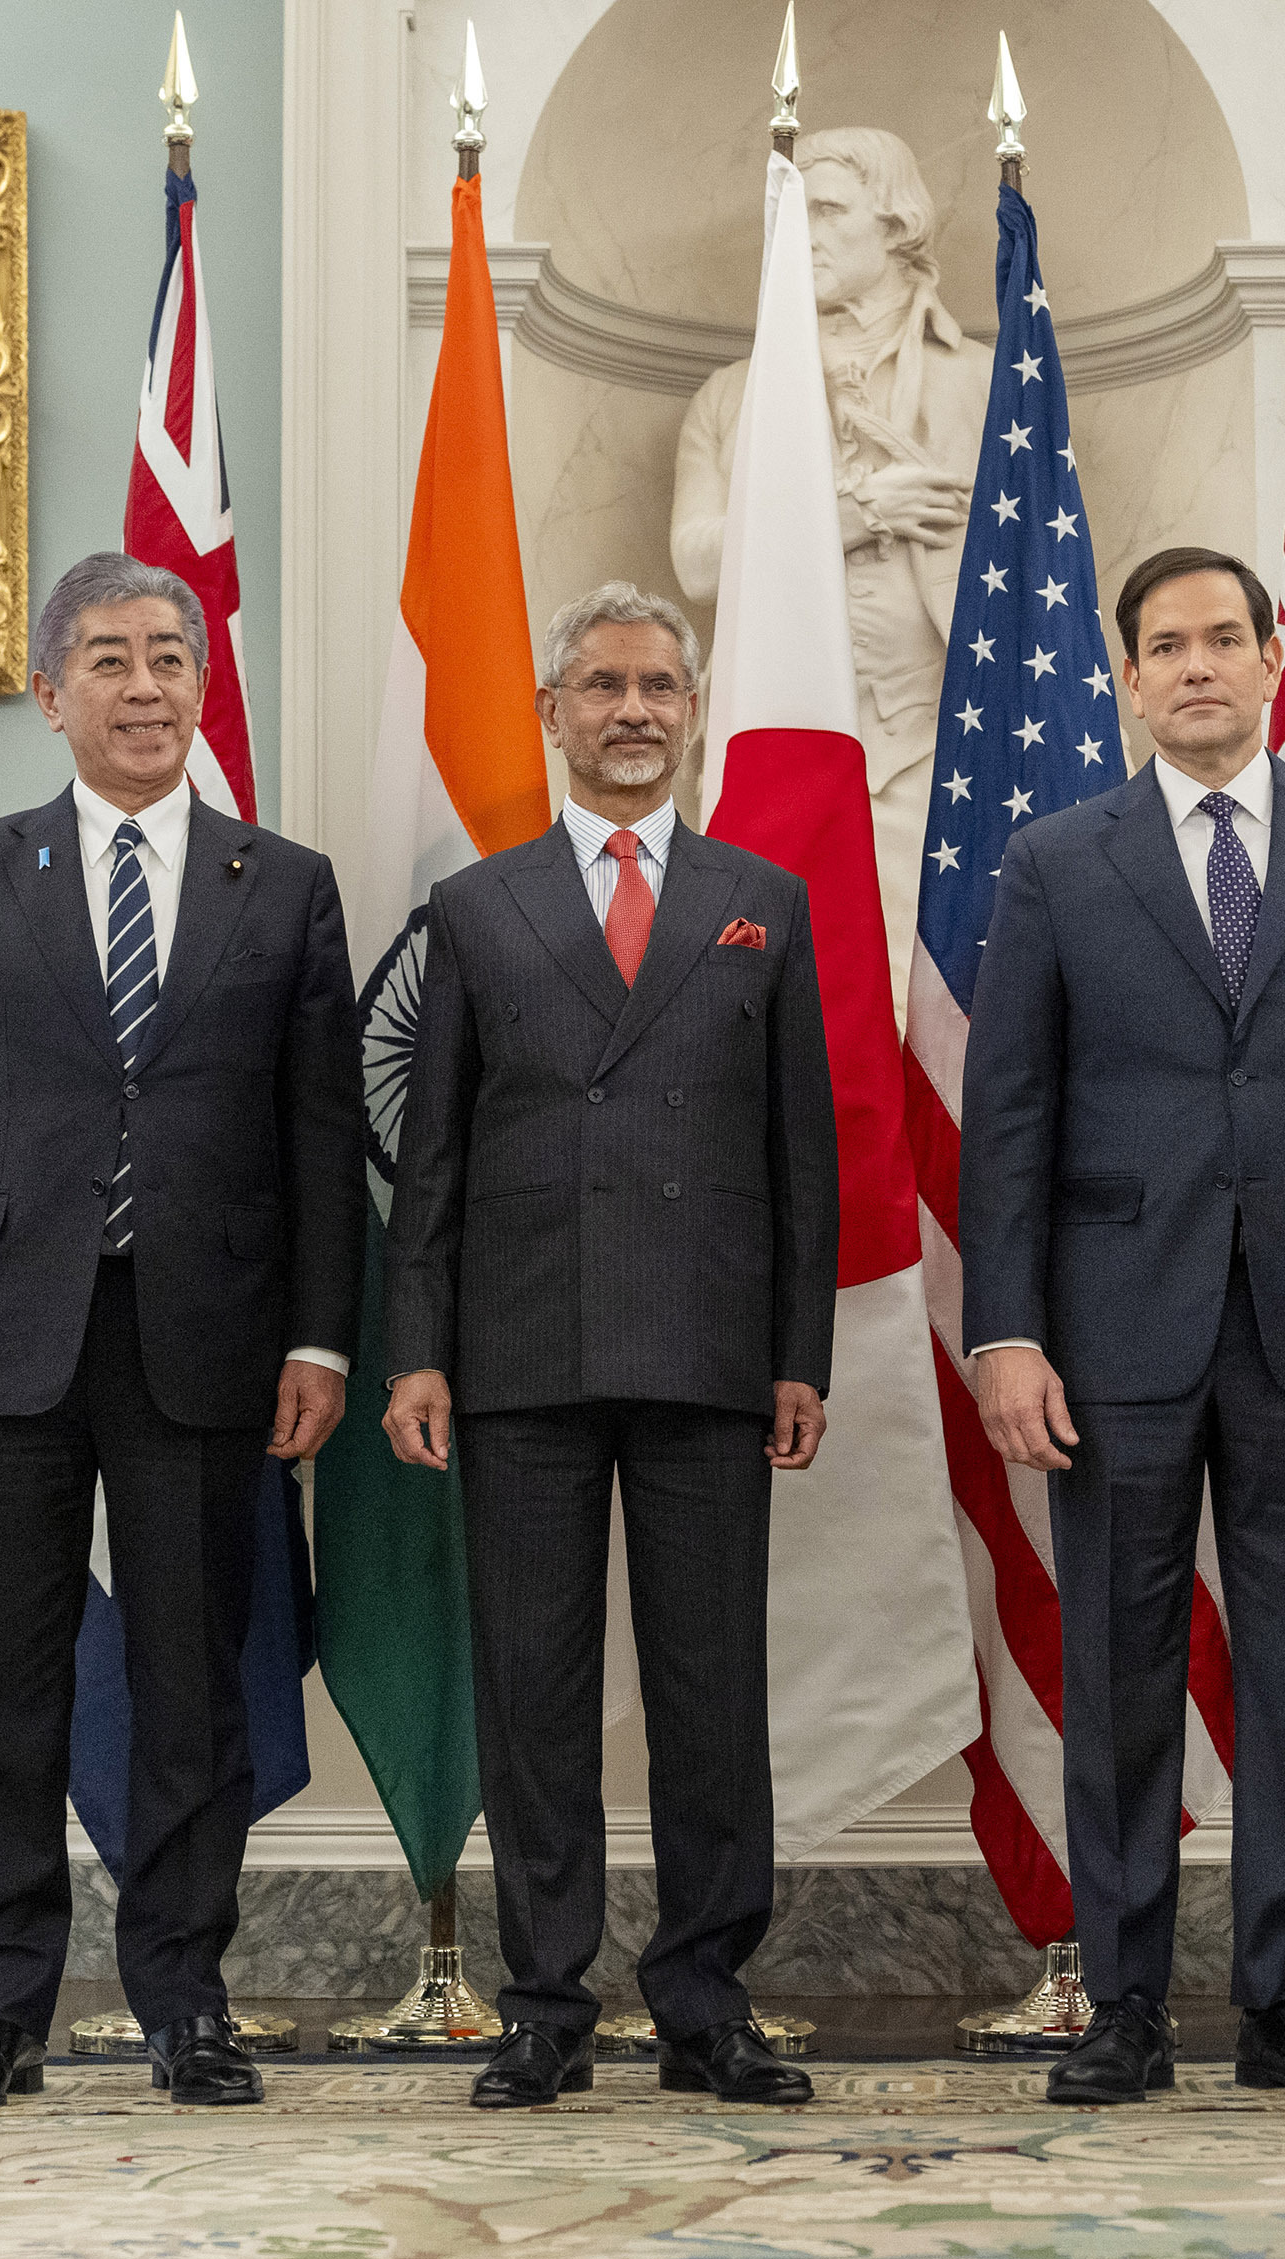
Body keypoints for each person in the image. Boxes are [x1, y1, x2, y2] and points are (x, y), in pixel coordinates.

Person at [961, 546, 1285, 2107]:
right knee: (1121, 1672)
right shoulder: (1058, 860)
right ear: (1128, 679)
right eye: (1165, 646)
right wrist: (1004, 1330)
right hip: (1111, 1329)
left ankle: (1282, 2004)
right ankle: (1124, 2005)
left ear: (1276, 655)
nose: (1196, 666)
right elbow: (1008, 1122)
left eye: (1223, 638)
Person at [0, 551, 360, 2112]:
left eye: (172, 657)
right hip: (1, 1330)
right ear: (50, 693)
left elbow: (322, 1138)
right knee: (5, 1688)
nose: (147, 686)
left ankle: (182, 2000)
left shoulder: (284, 883)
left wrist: (321, 1340)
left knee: (194, 1682)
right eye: (113, 660)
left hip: (207, 1335)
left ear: (203, 685)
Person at [381, 582, 839, 2112]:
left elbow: (804, 1159)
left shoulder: (762, 895)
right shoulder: (478, 906)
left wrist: (800, 1354)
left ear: (692, 707)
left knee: (713, 1694)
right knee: (536, 1690)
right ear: (551, 713)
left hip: (712, 1353)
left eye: (657, 685)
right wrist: (417, 1351)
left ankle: (707, 2001)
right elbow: (431, 1155)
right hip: (520, 1354)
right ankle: (543, 2003)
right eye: (601, 685)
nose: (631, 709)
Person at [670, 125, 983, 1029]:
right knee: (781, 1014)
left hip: (935, 750)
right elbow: (696, 559)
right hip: (777, 743)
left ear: (897, 224)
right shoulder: (733, 398)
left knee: (940, 1019)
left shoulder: (987, 381)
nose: (802, 230)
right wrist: (853, 513)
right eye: (792, 211)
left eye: (830, 209)